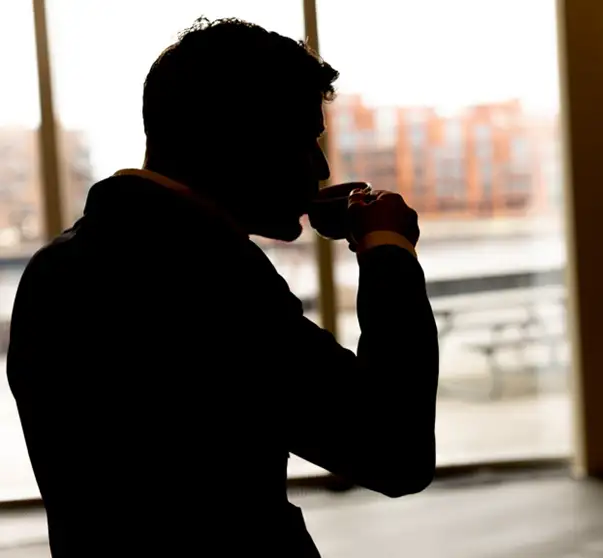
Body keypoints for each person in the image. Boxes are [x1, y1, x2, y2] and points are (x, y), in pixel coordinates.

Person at [7, 18, 438, 557]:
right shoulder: (206, 277)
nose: (322, 168)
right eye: (305, 140)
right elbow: (395, 452)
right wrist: (388, 253)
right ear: (241, 141)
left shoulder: (56, 267)